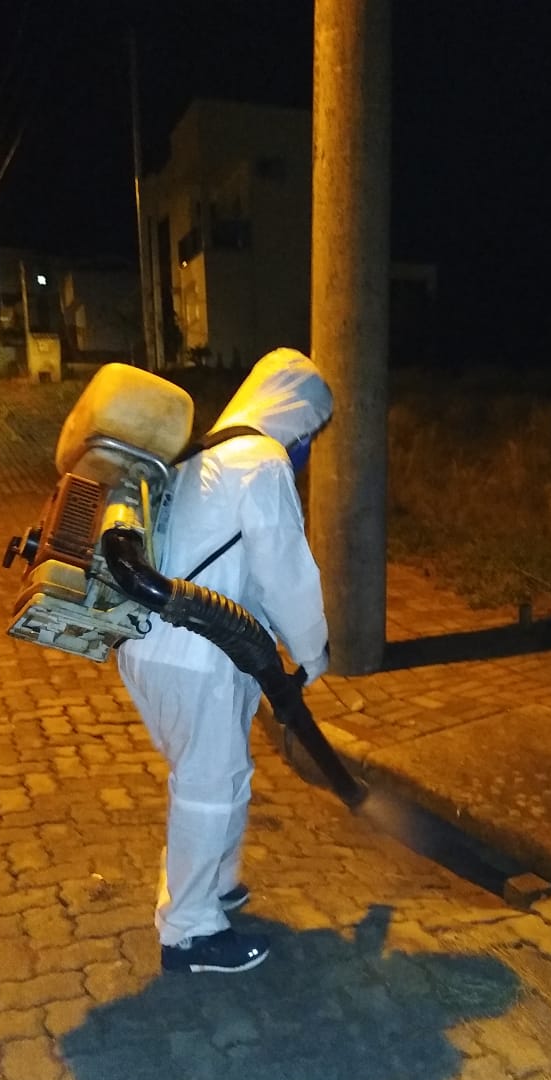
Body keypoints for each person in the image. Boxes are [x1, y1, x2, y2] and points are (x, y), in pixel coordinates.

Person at [117, 349, 333, 975]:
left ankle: (213, 881)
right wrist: (312, 649)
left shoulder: (202, 456)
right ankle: (189, 932)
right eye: (310, 430)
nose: (306, 445)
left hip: (161, 649)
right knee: (207, 787)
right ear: (295, 413)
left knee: (218, 775)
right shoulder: (261, 461)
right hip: (196, 656)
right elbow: (283, 570)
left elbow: (245, 571)